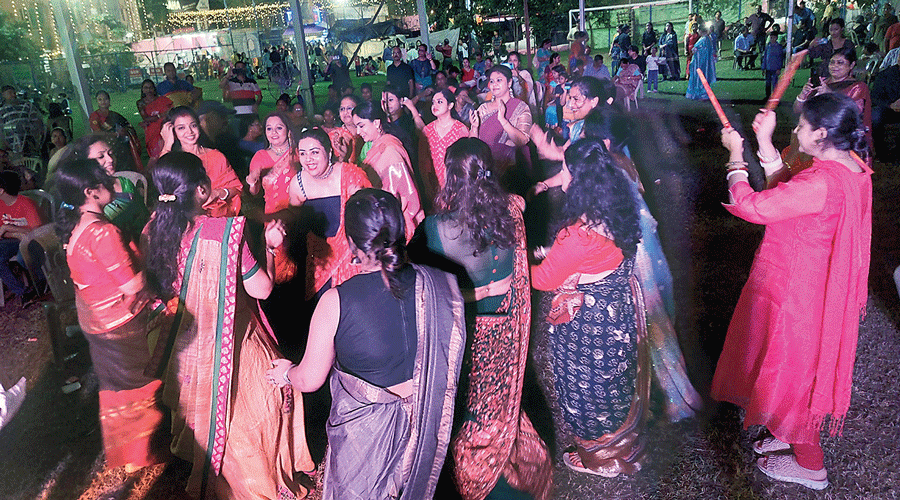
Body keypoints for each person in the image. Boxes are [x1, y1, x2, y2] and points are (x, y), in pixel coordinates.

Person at [712, 93, 872, 491]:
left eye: (801, 125)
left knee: (796, 371)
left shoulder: (823, 182)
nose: (795, 130)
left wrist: (735, 157)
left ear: (821, 133)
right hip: (813, 285)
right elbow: (791, 193)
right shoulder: (850, 168)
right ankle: (786, 428)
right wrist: (764, 144)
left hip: (798, 292)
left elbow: (754, 207)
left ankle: (810, 466)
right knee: (790, 366)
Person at [267, 188, 465, 499]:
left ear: (351, 242)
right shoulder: (439, 283)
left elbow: (309, 378)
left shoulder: (336, 302)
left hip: (364, 438)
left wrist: (286, 372)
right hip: (423, 428)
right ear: (401, 229)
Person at [144, 152, 314, 498]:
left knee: (210, 418)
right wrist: (269, 246)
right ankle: (259, 486)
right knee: (258, 407)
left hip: (185, 352)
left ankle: (226, 482)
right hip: (235, 342)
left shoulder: (152, 231)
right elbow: (262, 289)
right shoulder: (223, 233)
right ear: (202, 189)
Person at [531, 138, 648, 478]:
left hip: (590, 327)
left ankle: (600, 458)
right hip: (617, 318)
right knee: (613, 382)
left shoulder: (578, 237)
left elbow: (543, 280)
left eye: (566, 169)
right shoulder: (617, 206)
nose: (562, 174)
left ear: (581, 181)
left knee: (585, 387)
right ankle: (620, 443)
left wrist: (513, 260)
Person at [53, 158, 165, 473]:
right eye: (106, 181)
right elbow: (133, 284)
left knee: (117, 391)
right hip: (120, 322)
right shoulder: (102, 232)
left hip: (96, 323)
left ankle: (130, 455)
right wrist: (145, 244)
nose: (112, 183)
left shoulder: (77, 226)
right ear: (91, 192)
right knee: (139, 387)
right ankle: (142, 454)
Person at [286, 128, 371, 300]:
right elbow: (294, 227)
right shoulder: (298, 184)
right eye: (303, 153)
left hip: (353, 260)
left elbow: (369, 221)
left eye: (315, 152)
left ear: (329, 151)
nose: (308, 159)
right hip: (318, 264)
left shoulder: (350, 175)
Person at [791, 47, 873, 169]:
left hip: (841, 142)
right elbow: (797, 110)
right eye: (832, 62)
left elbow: (853, 114)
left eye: (840, 63)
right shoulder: (822, 82)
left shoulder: (858, 87)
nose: (834, 66)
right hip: (816, 137)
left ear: (852, 65)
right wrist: (803, 95)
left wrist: (829, 93)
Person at [352, 101, 423, 240]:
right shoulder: (376, 146)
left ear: (377, 123)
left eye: (361, 126)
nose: (358, 132)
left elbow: (399, 196)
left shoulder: (390, 150)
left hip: (392, 225)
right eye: (356, 127)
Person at [159, 106, 242, 217]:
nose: (189, 131)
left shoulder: (216, 156)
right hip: (184, 219)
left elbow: (237, 188)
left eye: (193, 125)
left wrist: (218, 193)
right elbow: (160, 180)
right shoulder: (173, 160)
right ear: (172, 131)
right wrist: (167, 144)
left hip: (219, 217)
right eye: (181, 128)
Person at [67, 135, 149, 244]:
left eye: (110, 153)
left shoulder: (125, 184)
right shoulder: (77, 197)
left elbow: (144, 217)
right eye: (101, 157)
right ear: (85, 163)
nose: (110, 159)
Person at [404, 89, 469, 200]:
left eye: (440, 102)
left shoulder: (460, 129)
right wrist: (426, 184)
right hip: (433, 184)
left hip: (456, 183)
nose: (435, 105)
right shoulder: (427, 130)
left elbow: (466, 160)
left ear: (450, 105)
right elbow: (423, 161)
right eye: (433, 102)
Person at [470, 65, 532, 175]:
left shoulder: (521, 107)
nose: (495, 85)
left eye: (499, 80)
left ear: (509, 83)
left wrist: (503, 120)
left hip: (511, 169)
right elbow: (473, 144)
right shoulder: (483, 109)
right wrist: (474, 128)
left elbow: (522, 141)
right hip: (484, 165)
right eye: (492, 81)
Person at [0, 170, 42, 305]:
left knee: (23, 258)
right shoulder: (0, 205)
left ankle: (42, 285)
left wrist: (8, 228)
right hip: (13, 240)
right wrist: (17, 233)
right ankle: (23, 293)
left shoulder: (26, 204)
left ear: (1, 190)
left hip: (34, 240)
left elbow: (36, 233)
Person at [246, 113, 296, 215]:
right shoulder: (260, 157)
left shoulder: (299, 153)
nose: (274, 132)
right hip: (274, 215)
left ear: (288, 130)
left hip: (300, 213)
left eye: (279, 128)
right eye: (269, 129)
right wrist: (252, 182)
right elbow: (255, 192)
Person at [89, 91, 142, 172]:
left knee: (126, 167)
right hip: (106, 146)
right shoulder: (95, 116)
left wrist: (125, 131)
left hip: (121, 146)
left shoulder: (115, 115)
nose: (103, 102)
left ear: (109, 100)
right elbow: (97, 132)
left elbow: (128, 126)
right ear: (97, 102)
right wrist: (115, 134)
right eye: (100, 99)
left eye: (105, 99)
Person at [0, 85, 44, 157]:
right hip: (12, 147)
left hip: (29, 145)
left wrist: (36, 141)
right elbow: (1, 131)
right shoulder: (1, 111)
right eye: (10, 93)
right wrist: (7, 147)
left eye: (14, 93)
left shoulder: (26, 106)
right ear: (3, 95)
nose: (13, 95)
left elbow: (36, 121)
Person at [137, 79, 173, 159]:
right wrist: (160, 116)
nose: (148, 90)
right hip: (152, 130)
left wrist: (158, 117)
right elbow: (146, 118)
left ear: (154, 89)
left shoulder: (162, 100)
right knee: (156, 154)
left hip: (164, 125)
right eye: (146, 88)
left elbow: (171, 112)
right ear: (142, 90)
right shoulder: (140, 103)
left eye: (150, 88)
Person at [685, 27, 716, 100]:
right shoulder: (708, 39)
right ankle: (704, 93)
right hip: (706, 63)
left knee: (699, 78)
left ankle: (700, 94)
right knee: (705, 77)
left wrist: (690, 55)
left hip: (700, 63)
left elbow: (694, 49)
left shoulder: (703, 40)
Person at [335, 95, 363, 163]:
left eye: (349, 108)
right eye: (342, 109)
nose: (345, 112)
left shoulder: (367, 133)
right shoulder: (335, 136)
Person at [762, 32, 787, 97]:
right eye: (771, 38)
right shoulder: (768, 46)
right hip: (768, 68)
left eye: (773, 38)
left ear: (776, 38)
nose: (772, 39)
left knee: (775, 83)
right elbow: (765, 57)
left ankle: (775, 97)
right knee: (768, 83)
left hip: (775, 68)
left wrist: (779, 68)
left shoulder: (779, 47)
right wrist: (763, 68)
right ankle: (767, 96)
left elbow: (780, 58)